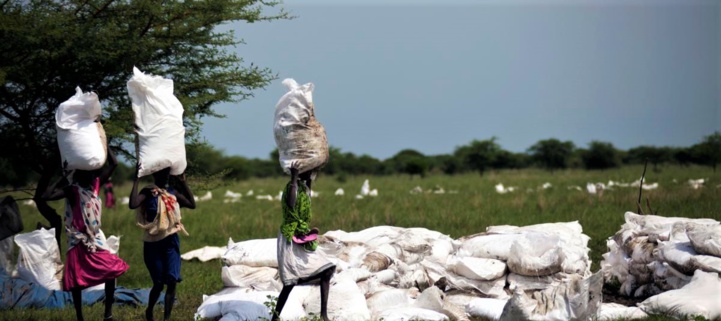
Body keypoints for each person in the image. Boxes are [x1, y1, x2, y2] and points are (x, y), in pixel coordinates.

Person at [42, 149, 128, 321]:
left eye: (92, 174)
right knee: (76, 282)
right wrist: (63, 178)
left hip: (95, 239)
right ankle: (80, 317)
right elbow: (46, 195)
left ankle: (108, 315)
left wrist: (104, 144)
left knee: (111, 271)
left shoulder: (94, 188)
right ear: (79, 176)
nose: (92, 177)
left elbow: (115, 164)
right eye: (87, 174)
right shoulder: (73, 191)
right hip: (78, 240)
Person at [129, 165, 195, 321]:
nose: (164, 176)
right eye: (161, 173)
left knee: (172, 280)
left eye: (167, 174)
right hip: (153, 243)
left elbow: (192, 204)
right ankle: (149, 310)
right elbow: (132, 204)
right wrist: (136, 181)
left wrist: (183, 182)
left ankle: (166, 318)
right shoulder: (148, 192)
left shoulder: (172, 192)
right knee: (158, 284)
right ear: (155, 174)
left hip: (171, 241)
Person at [272, 162, 335, 321]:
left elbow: (307, 193)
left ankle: (323, 315)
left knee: (327, 270)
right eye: (309, 171)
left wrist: (310, 175)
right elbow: (291, 204)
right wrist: (293, 177)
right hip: (290, 236)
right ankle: (275, 317)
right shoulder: (290, 187)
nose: (312, 173)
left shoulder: (304, 188)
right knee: (289, 283)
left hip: (302, 234)